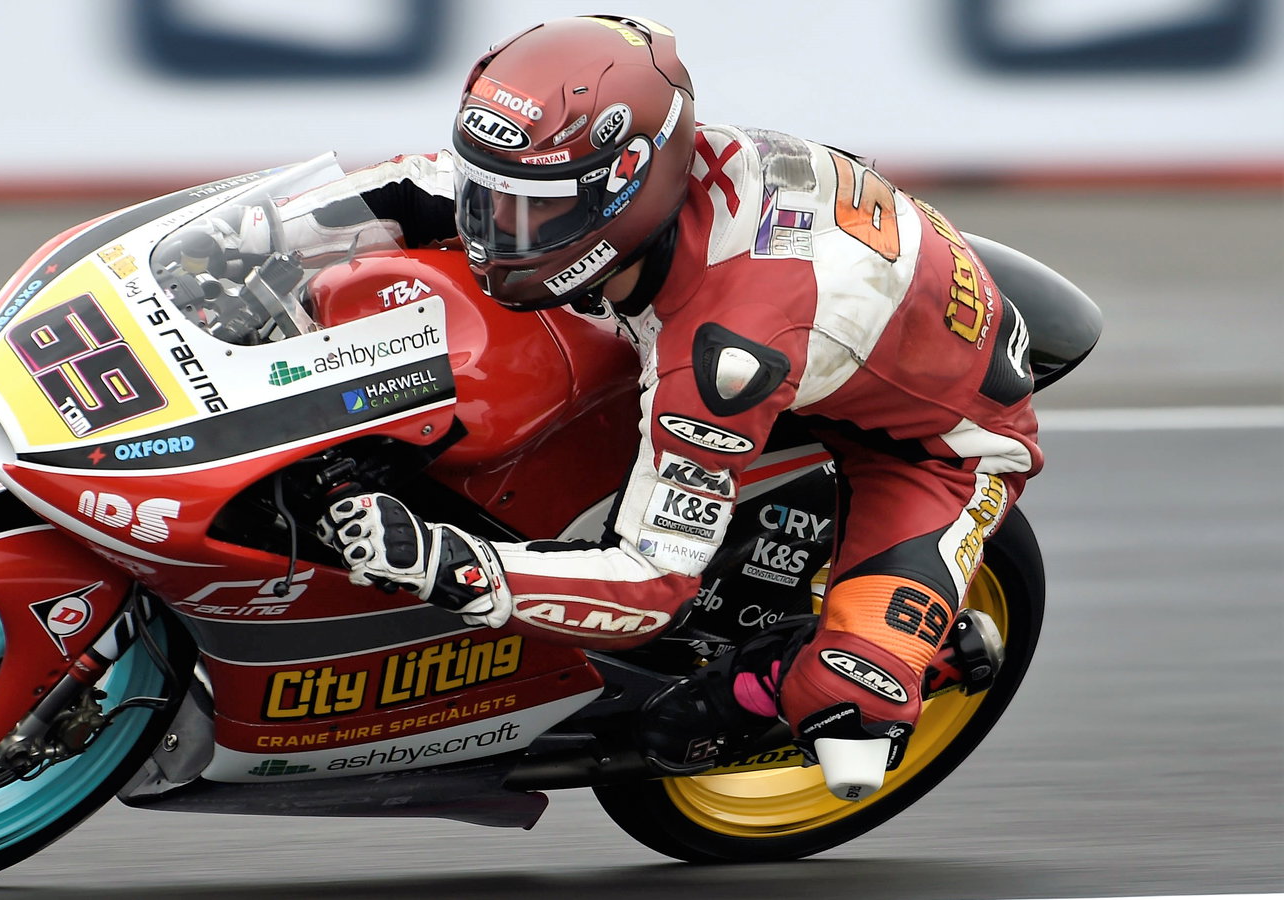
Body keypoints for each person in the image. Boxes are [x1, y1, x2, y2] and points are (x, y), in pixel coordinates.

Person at [309, 14, 1038, 800]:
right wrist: (266, 229)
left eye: (530, 208)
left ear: (627, 182)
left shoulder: (726, 353)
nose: (490, 227)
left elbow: (653, 586)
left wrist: (443, 560)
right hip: (822, 303)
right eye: (492, 193)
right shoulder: (607, 172)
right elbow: (416, 184)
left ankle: (891, 662)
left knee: (843, 718)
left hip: (936, 447)